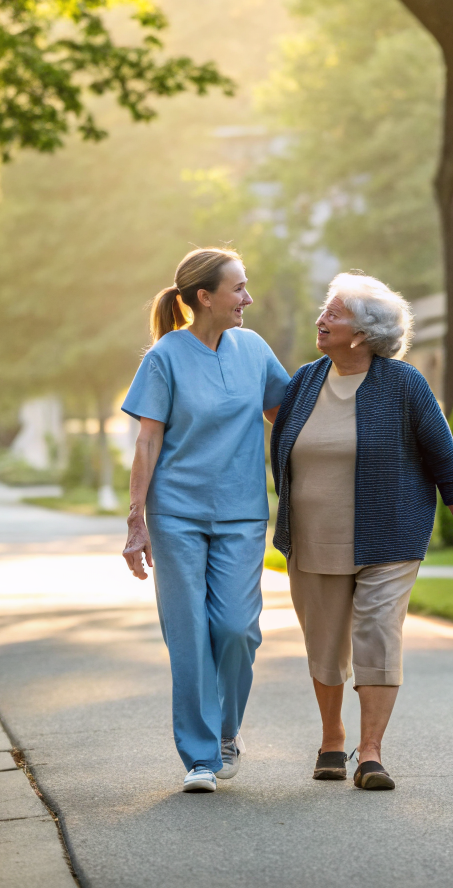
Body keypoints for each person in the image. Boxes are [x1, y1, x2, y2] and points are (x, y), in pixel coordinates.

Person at [270, 273, 453, 791]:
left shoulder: (403, 383)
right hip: (313, 539)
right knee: (323, 644)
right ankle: (331, 739)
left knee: (378, 637)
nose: (322, 319)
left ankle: (370, 753)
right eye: (325, 309)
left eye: (334, 313)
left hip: (390, 535)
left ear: (363, 334)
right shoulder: (303, 382)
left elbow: (445, 459)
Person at [121, 247, 290, 794]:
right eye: (238, 288)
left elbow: (286, 412)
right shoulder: (165, 357)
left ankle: (226, 732)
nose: (247, 298)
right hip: (176, 513)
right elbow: (148, 440)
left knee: (237, 628)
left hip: (242, 512)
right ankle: (199, 756)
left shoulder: (255, 349)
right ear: (204, 297)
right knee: (189, 631)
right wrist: (135, 522)